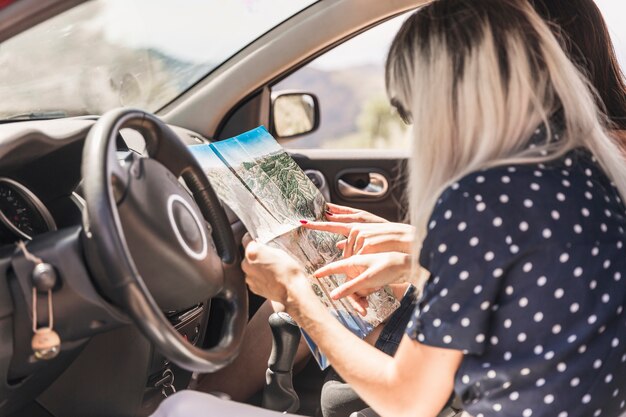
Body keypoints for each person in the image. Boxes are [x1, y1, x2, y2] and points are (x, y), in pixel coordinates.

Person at [239, 0, 626, 415]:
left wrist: (295, 293)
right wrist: (423, 260)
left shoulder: (481, 199)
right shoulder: (594, 169)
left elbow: (408, 402)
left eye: (409, 110)